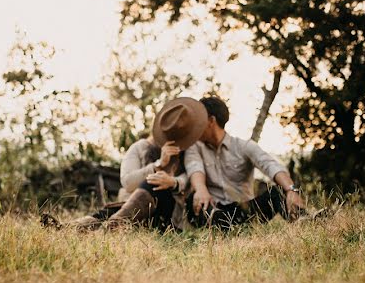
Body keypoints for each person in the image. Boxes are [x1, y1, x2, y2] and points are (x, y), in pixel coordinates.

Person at [67, 97, 208, 231]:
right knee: (137, 193)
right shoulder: (139, 147)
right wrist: (157, 165)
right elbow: (128, 183)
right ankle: (72, 228)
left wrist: (172, 182)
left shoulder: (188, 151)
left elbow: (189, 176)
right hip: (131, 208)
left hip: (165, 215)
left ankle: (112, 225)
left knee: (155, 183)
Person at [184, 96, 304, 230]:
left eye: (198, 120)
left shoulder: (244, 146)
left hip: (244, 212)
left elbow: (271, 165)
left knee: (278, 192)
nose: (194, 126)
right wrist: (200, 189)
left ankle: (304, 219)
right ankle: (222, 228)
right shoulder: (194, 146)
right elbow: (194, 167)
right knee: (192, 201)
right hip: (213, 211)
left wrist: (291, 190)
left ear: (211, 120)